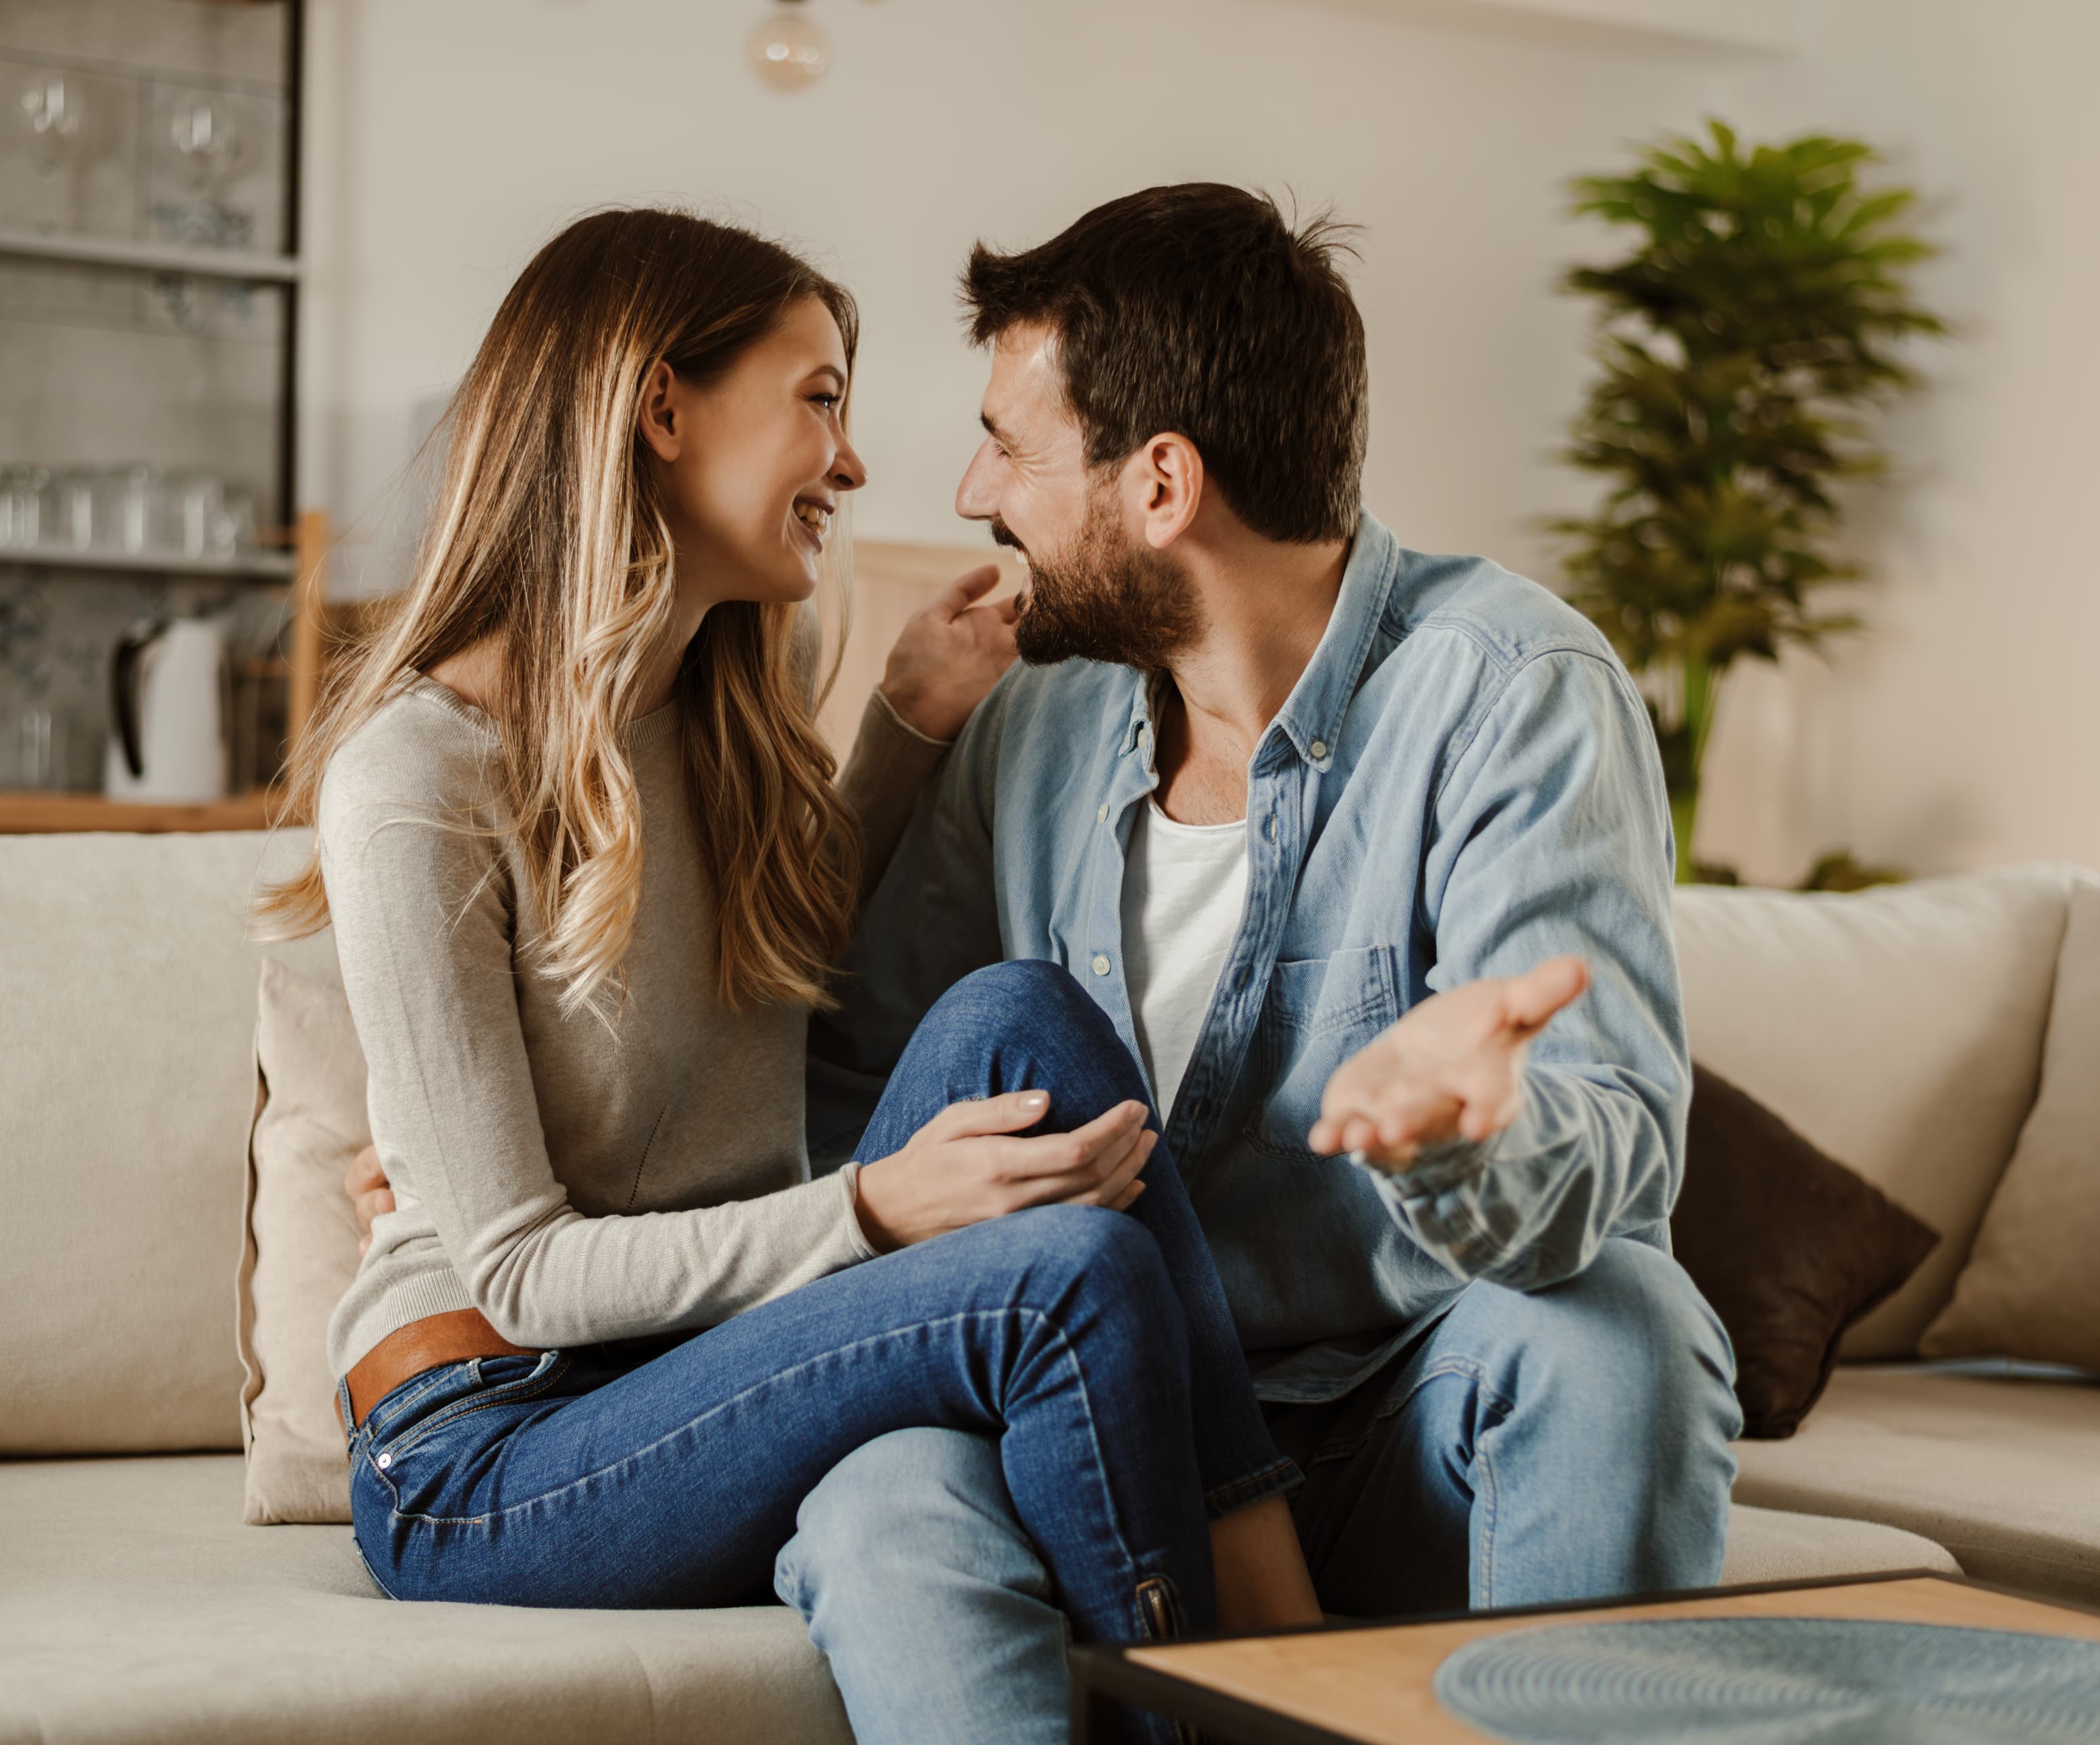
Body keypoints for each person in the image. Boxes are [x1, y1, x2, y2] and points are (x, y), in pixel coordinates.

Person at [261, 206, 1318, 1729]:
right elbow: (518, 1273)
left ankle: (1291, 1655)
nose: (856, 459)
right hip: (485, 1442)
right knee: (1065, 1274)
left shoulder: (715, 713)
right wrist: (877, 1208)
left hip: (691, 1358)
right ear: (662, 409)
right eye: (820, 398)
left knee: (1025, 1015)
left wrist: (903, 724)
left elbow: (751, 964)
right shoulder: (417, 778)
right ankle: (1237, 1710)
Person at [762, 184, 1745, 1744]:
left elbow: (1613, 1141)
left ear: (1162, 483)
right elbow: (861, 1078)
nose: (970, 491)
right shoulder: (1031, 726)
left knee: (1621, 1332)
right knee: (882, 1492)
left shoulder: (1512, 693)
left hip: (1390, 1411)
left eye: (1011, 449)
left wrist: (1470, 1133)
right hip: (1084, 1417)